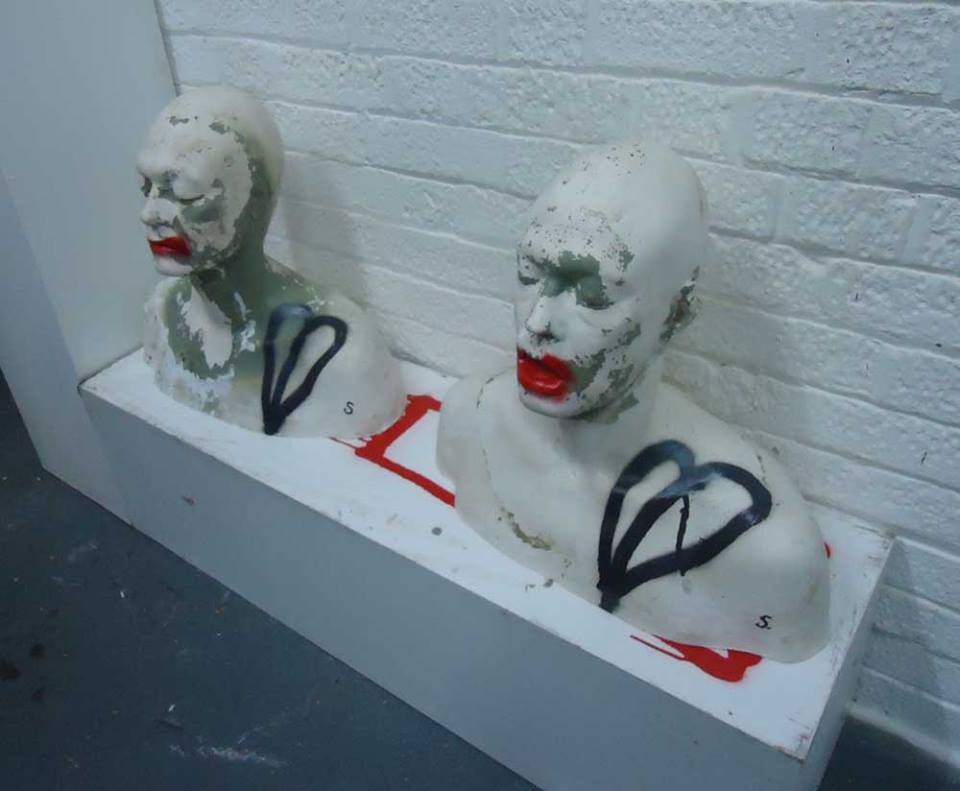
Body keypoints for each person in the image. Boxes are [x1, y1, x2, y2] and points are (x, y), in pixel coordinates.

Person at [438, 142, 829, 662]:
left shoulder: (762, 552)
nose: (537, 323)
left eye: (594, 294)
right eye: (529, 273)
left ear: (675, 315)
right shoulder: (470, 418)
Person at [137, 87, 403, 437]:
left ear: (255, 199)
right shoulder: (162, 313)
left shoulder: (337, 354)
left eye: (186, 193)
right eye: (145, 186)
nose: (149, 213)